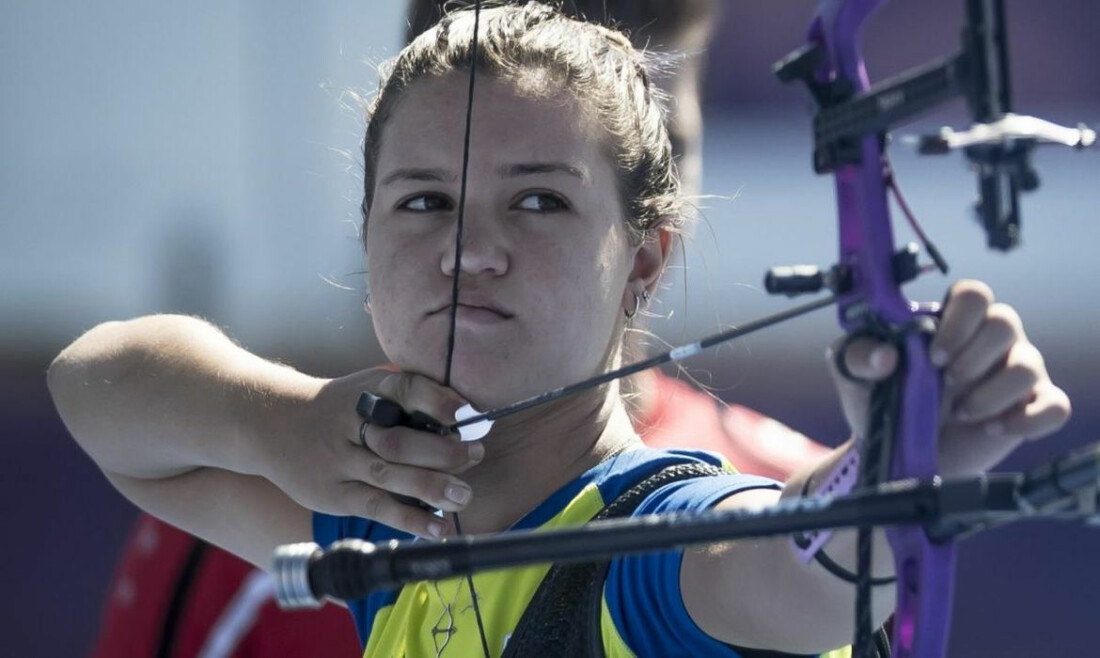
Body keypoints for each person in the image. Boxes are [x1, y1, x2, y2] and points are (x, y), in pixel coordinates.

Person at [49, 4, 1070, 657]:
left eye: (535, 203)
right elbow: (91, 388)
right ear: (364, 236)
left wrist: (894, 460)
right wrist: (279, 420)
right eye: (419, 203)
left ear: (640, 263)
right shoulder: (390, 515)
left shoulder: (652, 543)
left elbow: (790, 572)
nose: (466, 248)